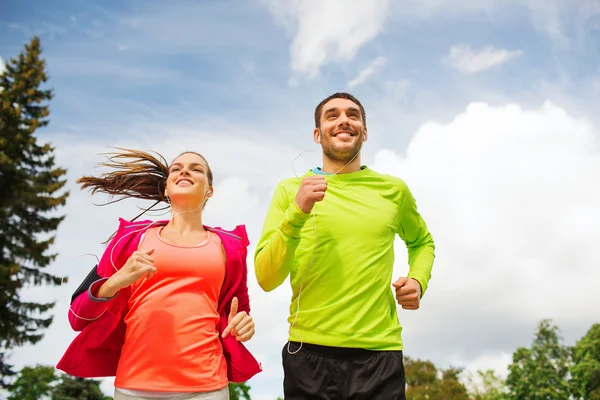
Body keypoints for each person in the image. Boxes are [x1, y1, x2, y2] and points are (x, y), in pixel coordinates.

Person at [254, 92, 435, 399]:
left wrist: (418, 279)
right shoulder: (290, 191)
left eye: (353, 115)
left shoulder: (393, 190)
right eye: (332, 115)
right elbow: (266, 278)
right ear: (317, 133)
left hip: (379, 355)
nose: (344, 120)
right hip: (308, 354)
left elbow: (422, 242)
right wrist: (297, 212)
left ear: (364, 132)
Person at [57, 149, 261, 400]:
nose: (184, 170)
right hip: (135, 387)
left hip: (207, 387)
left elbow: (240, 312)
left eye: (196, 168)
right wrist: (117, 281)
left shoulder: (230, 246)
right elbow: (78, 316)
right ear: (166, 188)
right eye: (176, 168)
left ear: (209, 190)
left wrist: (244, 325)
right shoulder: (130, 238)